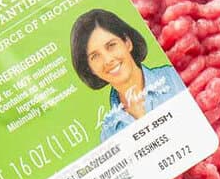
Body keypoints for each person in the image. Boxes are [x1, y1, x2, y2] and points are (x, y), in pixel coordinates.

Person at [70, 8, 186, 142]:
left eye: (111, 45)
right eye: (95, 56)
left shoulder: (175, 77)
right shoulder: (109, 134)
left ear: (127, 42)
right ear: (90, 69)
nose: (108, 60)